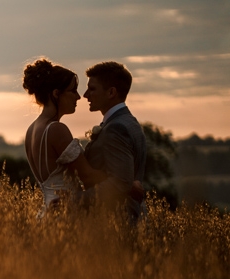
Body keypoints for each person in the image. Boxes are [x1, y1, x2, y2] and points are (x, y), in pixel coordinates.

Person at [22, 59, 112, 216]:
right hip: (63, 215)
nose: (78, 97)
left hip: (47, 213)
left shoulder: (32, 130)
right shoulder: (56, 129)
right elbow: (88, 176)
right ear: (56, 94)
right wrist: (122, 182)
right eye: (73, 90)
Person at [82, 61, 147, 222]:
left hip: (117, 219)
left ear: (111, 92)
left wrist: (75, 200)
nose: (85, 95)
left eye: (92, 89)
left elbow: (120, 183)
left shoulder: (116, 128)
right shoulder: (129, 122)